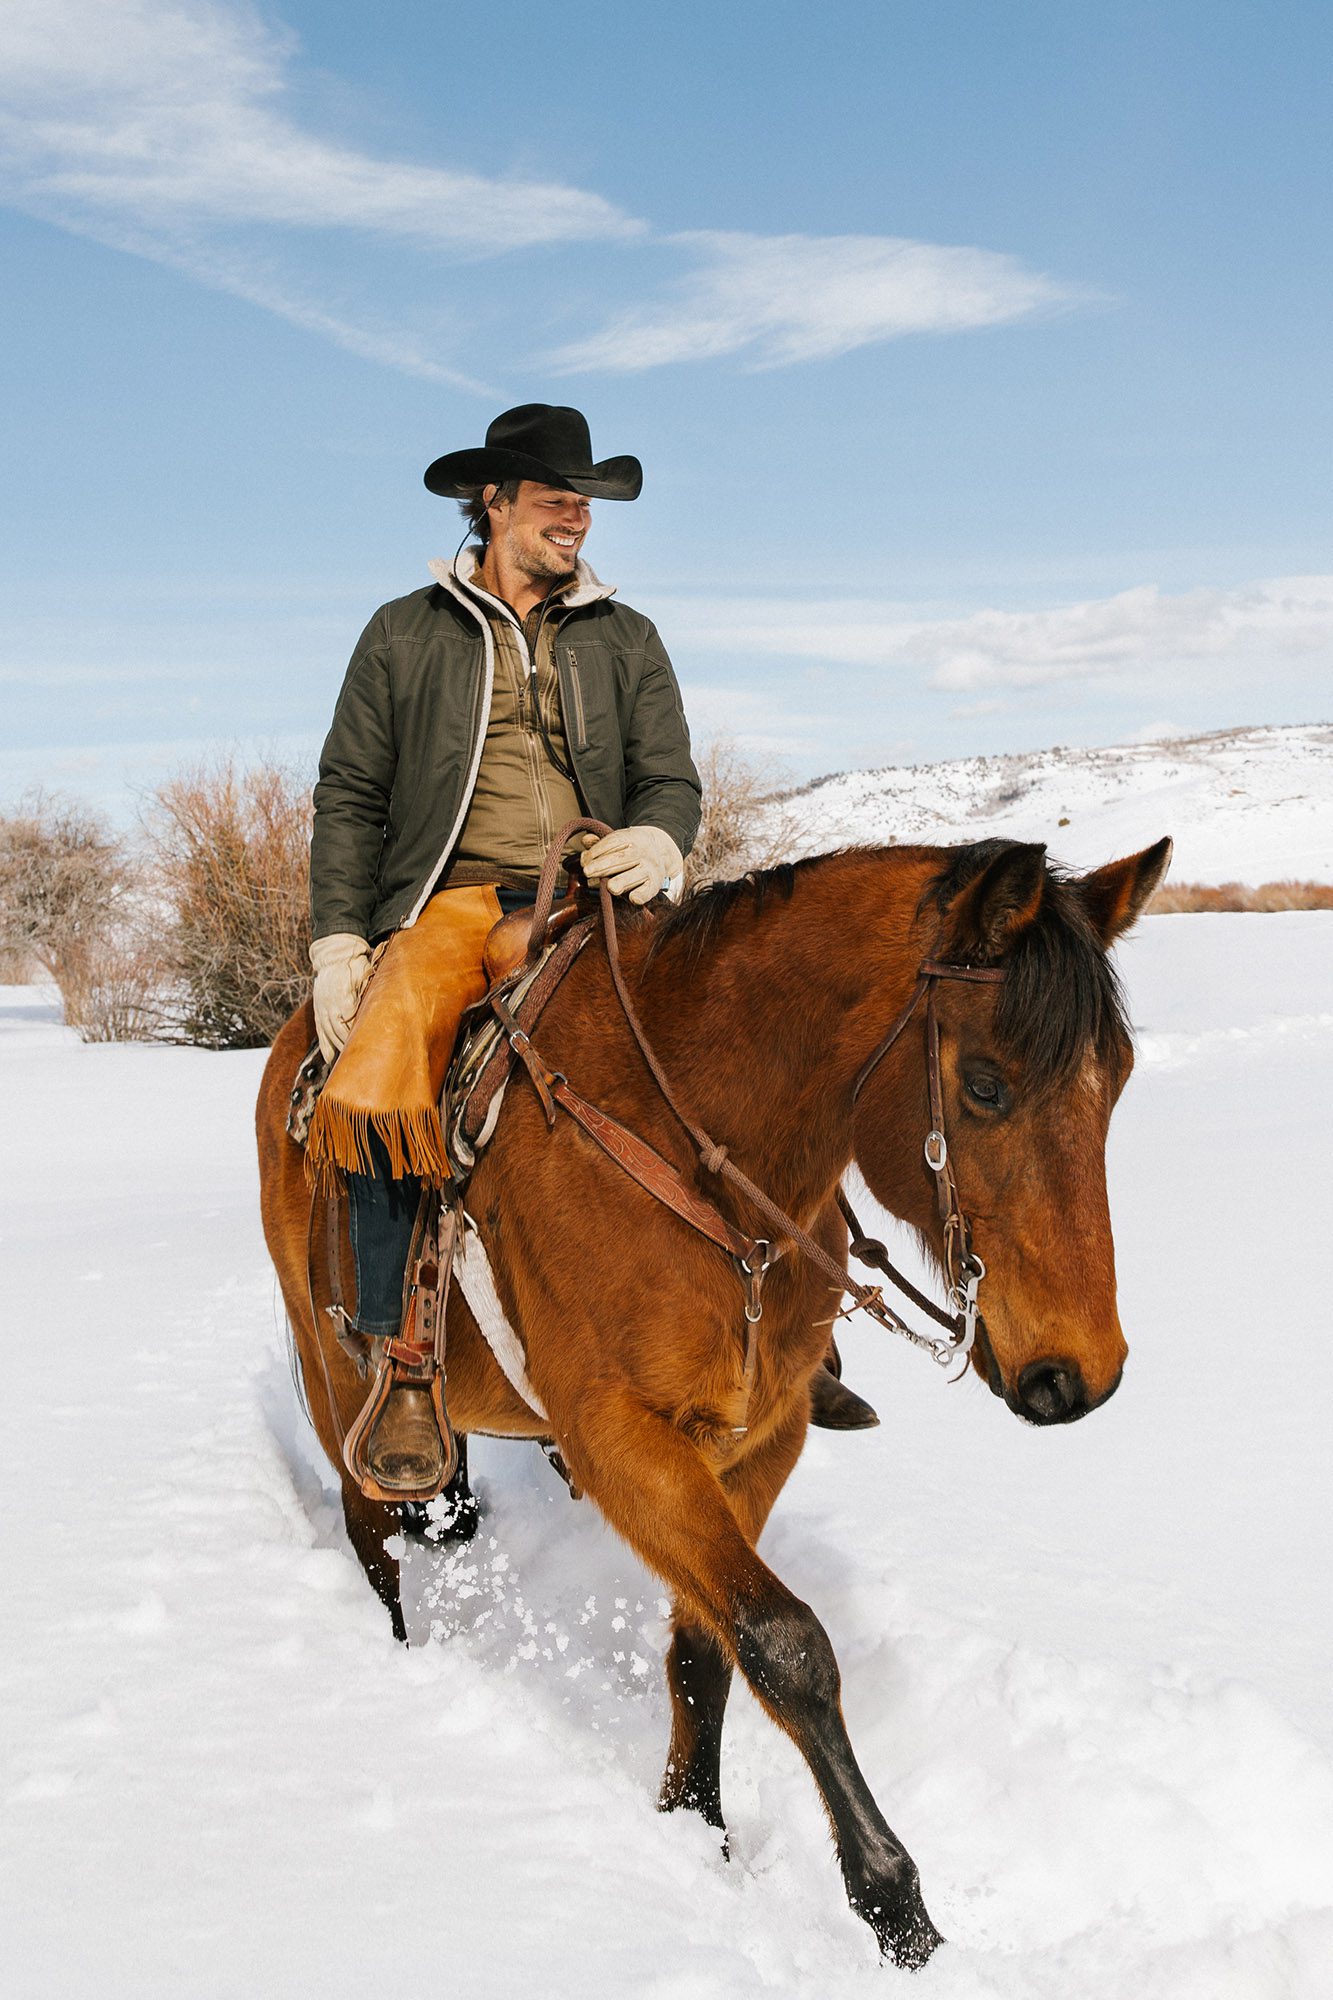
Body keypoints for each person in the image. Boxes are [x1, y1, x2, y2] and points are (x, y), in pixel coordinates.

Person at [305, 403, 874, 1502]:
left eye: (587, 501)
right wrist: (340, 938)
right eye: (558, 496)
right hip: (454, 900)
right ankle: (406, 1359)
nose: (578, 516)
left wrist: (659, 837)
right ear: (495, 501)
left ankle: (802, 1314)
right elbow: (350, 795)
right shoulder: (404, 631)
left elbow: (669, 775)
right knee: (383, 1080)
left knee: (756, 1050)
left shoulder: (627, 636)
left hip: (601, 898)